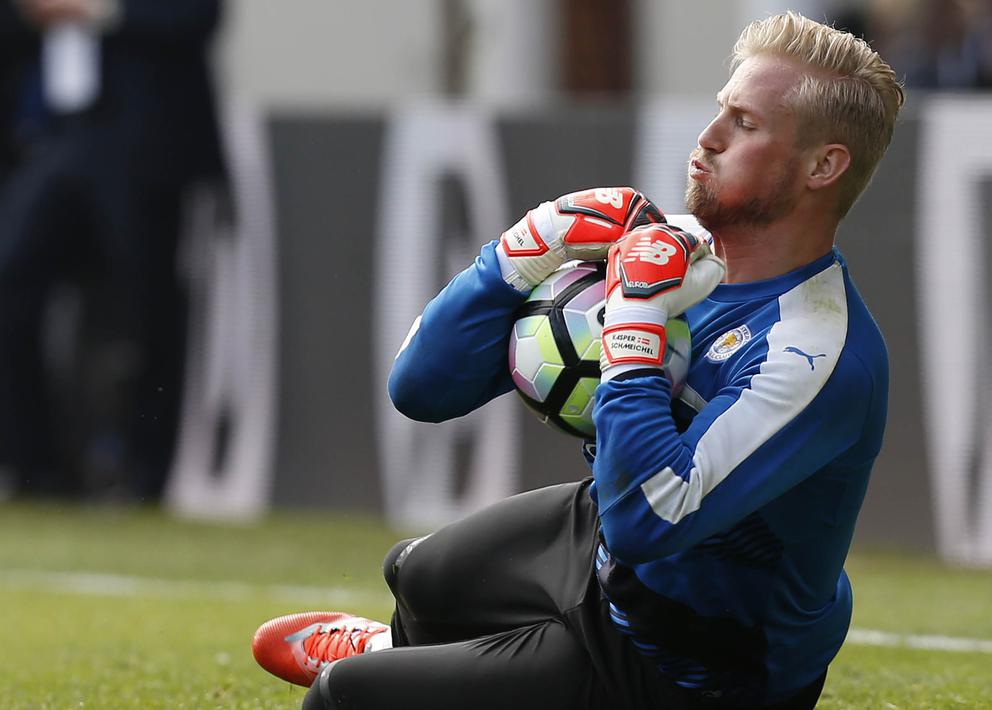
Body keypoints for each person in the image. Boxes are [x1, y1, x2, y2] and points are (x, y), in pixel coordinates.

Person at [252, 11, 903, 710]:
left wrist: (633, 321)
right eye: (720, 110)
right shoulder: (672, 253)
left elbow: (651, 519)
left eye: (743, 124)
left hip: (696, 667)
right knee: (415, 575)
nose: (707, 139)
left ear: (823, 165)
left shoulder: (817, 349)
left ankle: (403, 667)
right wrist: (520, 252)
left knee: (341, 697)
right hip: (611, 556)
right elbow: (421, 389)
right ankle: (407, 651)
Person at [0, 0, 226, 499]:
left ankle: (145, 473)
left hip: (140, 138)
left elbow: (197, 17)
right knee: (11, 281)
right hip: (52, 137)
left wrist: (94, 11)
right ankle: (37, 466)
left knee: (148, 304)